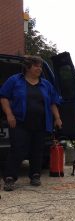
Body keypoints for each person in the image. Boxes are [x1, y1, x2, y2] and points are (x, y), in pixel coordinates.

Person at [0, 55, 62, 191]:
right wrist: (9, 114)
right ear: (28, 67)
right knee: (17, 150)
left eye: (40, 66)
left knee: (37, 150)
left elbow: (53, 102)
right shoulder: (14, 80)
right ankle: (10, 178)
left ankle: (35, 175)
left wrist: (57, 118)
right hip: (20, 123)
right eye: (36, 66)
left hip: (40, 123)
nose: (39, 69)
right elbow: (4, 97)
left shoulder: (45, 84)